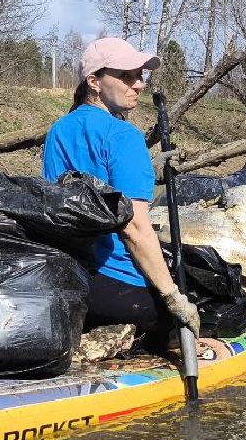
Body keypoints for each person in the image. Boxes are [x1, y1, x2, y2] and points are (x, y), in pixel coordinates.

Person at [42, 36, 202, 356]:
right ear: (94, 82)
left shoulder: (59, 130)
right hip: (115, 286)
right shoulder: (125, 135)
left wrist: (149, 169)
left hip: (68, 280)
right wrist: (172, 296)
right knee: (201, 300)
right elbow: (134, 229)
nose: (138, 84)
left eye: (140, 75)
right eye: (126, 76)